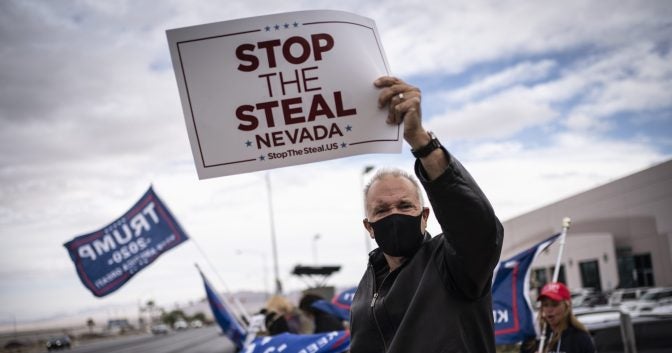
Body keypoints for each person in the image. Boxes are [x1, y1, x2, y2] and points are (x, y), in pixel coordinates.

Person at [349, 76, 504, 353]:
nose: (394, 214)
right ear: (369, 227)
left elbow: (476, 226)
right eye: (382, 210)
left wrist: (421, 141)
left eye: (405, 206)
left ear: (424, 216)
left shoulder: (453, 265)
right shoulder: (366, 288)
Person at [521, 282, 596, 353]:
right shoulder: (534, 339)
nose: (549, 310)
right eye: (545, 305)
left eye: (555, 304)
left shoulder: (580, 338)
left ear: (567, 306)